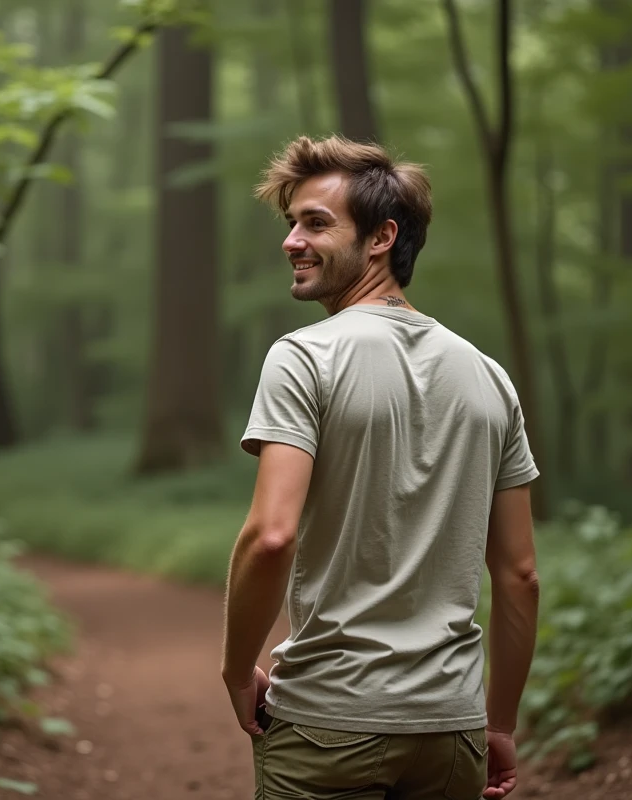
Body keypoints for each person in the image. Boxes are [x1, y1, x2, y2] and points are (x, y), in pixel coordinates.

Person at [220, 135, 541, 800]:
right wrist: (500, 723)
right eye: (291, 223)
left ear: (380, 239)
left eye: (316, 223)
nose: (292, 242)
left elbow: (271, 536)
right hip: (450, 733)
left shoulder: (304, 357)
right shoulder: (489, 378)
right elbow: (519, 573)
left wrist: (234, 670)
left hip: (326, 724)